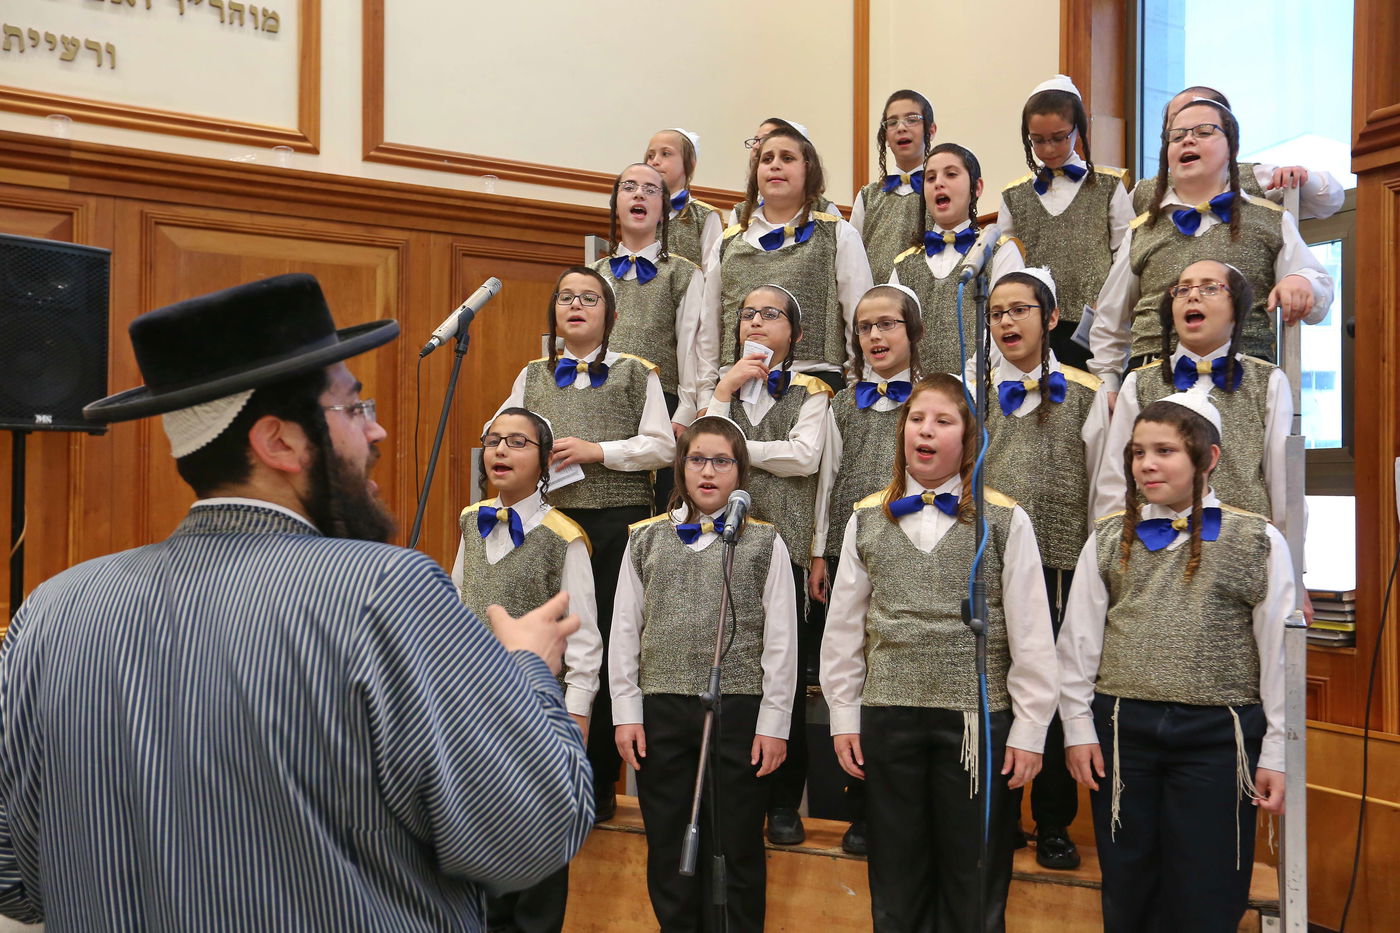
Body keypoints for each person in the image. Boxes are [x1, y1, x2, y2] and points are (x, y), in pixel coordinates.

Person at [0, 274, 593, 929]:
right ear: (278, 442)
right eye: (354, 408)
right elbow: (530, 836)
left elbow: (15, 879)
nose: (379, 433)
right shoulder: (384, 594)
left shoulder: (47, 615)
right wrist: (526, 671)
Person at [821, 373, 1059, 932]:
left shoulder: (1003, 519)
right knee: (896, 880)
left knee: (972, 881)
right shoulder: (866, 517)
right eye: (917, 419)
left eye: (942, 421)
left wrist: (1028, 729)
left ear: (968, 438)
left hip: (975, 721)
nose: (925, 429)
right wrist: (843, 714)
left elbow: (1031, 632)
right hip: (888, 713)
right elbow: (844, 629)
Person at [1059, 391, 1290, 932]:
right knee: (1127, 880)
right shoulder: (1110, 536)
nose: (1147, 464)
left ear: (1207, 459)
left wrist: (1276, 750)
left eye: (1164, 451)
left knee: (1206, 885)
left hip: (1218, 734)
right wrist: (1076, 728)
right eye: (1138, 452)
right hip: (1123, 730)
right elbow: (1078, 644)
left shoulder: (1257, 539)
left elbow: (1278, 654)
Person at [492, 266, 676, 823]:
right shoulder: (531, 374)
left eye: (590, 298)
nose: (576, 306)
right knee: (544, 647)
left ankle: (594, 782)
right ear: (554, 312)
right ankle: (531, 775)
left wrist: (599, 451)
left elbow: (663, 446)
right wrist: (525, 448)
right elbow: (497, 430)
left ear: (611, 315)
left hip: (614, 525)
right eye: (567, 298)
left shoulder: (634, 372)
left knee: (598, 648)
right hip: (547, 524)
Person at [610, 415, 798, 933]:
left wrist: (774, 723)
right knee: (670, 841)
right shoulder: (645, 539)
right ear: (680, 468)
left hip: (738, 709)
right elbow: (626, 631)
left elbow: (782, 641)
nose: (708, 472)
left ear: (740, 472)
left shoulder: (765, 543)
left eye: (722, 461)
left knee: (735, 841)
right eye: (697, 459)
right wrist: (626, 712)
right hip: (663, 708)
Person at [978, 269, 1110, 871]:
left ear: (1050, 318)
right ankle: (998, 817)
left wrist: (1093, 568)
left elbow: (1104, 491)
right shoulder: (970, 391)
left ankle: (1054, 820)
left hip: (1060, 562)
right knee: (995, 688)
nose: (1006, 322)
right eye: (997, 312)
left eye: (1020, 310)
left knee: (1053, 693)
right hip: (989, 563)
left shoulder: (1086, 391)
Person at [452, 407, 603, 933]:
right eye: (494, 441)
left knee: (535, 871)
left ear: (544, 462)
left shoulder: (564, 536)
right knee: (478, 860)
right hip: (471, 715)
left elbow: (583, 637)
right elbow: (456, 606)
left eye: (517, 442)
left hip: (537, 714)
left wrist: (577, 714)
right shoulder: (472, 521)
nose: (500, 451)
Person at [704, 284, 832, 846]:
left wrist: (729, 450)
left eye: (771, 314)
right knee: (728, 671)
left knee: (784, 675)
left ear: (796, 334)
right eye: (748, 314)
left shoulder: (812, 391)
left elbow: (805, 460)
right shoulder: (722, 392)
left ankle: (784, 802)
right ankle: (728, 795)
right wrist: (722, 394)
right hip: (719, 550)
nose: (756, 323)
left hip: (784, 548)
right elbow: (695, 458)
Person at [1089, 97, 1333, 385]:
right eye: (1177, 136)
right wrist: (1108, 382)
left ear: (1233, 148)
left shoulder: (1270, 220)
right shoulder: (1142, 229)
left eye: (1203, 132)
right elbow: (1110, 318)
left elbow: (1320, 291)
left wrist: (1302, 281)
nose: (1188, 141)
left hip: (1246, 384)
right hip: (1151, 383)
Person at [808, 282, 925, 855]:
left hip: (920, 544)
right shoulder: (840, 403)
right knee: (858, 665)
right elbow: (826, 481)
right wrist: (819, 550)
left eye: (887, 325)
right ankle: (863, 806)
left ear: (913, 333)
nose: (875, 336)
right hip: (855, 549)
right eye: (864, 328)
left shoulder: (935, 401)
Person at [1094, 260, 1293, 542]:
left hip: (1241, 546)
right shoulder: (1139, 383)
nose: (1193, 295)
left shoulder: (1268, 381)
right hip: (1151, 545)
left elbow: (1282, 479)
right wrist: (1111, 547)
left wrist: (1292, 561)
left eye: (1210, 288)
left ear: (1236, 309)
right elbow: (1115, 477)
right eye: (1183, 289)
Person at [700, 126, 873, 399]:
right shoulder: (727, 242)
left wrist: (855, 389)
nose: (775, 166)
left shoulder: (838, 234)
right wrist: (706, 394)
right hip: (735, 384)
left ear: (808, 169)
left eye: (787, 158)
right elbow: (709, 326)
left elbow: (859, 317)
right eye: (767, 159)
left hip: (815, 384)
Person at [996, 75, 1134, 370]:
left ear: (1078, 130)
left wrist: (1110, 304)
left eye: (1059, 137)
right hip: (1034, 326)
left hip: (1095, 325)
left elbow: (1126, 255)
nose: (1048, 148)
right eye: (1038, 140)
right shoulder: (1013, 196)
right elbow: (1008, 265)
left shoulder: (1109, 186)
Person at [592, 162, 706, 510]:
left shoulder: (684, 274)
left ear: (663, 210)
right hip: (603, 402)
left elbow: (691, 349)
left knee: (661, 509)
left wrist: (684, 412)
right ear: (615, 204)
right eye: (628, 187)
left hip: (664, 406)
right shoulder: (594, 275)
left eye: (650, 189)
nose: (638, 193)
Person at [890, 142, 1025, 375]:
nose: (939, 183)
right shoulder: (904, 264)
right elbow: (891, 333)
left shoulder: (1001, 251)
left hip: (980, 392)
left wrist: (966, 382)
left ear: (977, 187)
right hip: (918, 398)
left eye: (951, 174)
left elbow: (1009, 324)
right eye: (930, 178)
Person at [1130, 85, 1345, 220]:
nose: (1188, 136)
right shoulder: (1143, 192)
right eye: (1177, 121)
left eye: (1201, 127)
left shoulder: (1259, 178)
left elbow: (1328, 202)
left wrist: (1302, 179)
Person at [850, 90, 938, 283]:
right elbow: (853, 260)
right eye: (892, 122)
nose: (901, 127)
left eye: (912, 119)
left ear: (930, 131)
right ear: (886, 138)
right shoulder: (868, 196)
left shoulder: (940, 192)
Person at [645, 127, 724, 267]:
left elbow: (711, 274)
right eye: (650, 156)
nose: (655, 161)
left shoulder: (705, 217)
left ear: (689, 164)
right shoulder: (639, 211)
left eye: (665, 153)